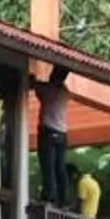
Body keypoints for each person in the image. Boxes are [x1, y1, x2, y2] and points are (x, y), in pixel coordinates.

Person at [37, 72, 72, 210]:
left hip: (49, 132)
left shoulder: (48, 89)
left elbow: (34, 85)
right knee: (60, 167)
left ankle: (49, 197)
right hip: (62, 134)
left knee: (48, 166)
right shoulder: (65, 92)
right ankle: (63, 200)